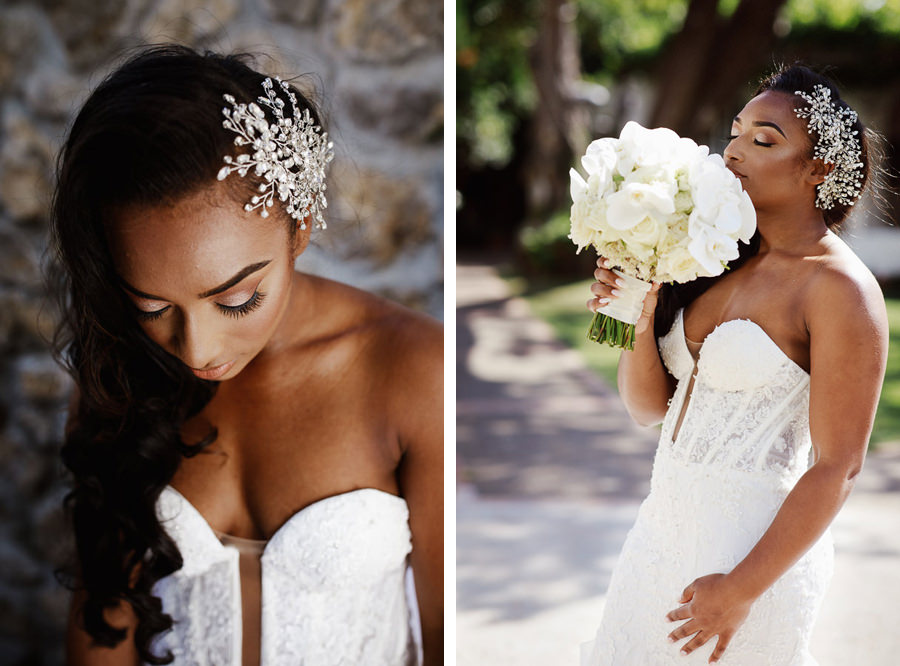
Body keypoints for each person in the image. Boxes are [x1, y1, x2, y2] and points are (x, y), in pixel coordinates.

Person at [48, 45, 443, 666]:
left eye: (236, 298)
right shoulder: (117, 379)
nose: (197, 350)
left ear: (301, 224)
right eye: (151, 307)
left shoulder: (414, 370)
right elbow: (102, 627)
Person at [580, 64, 888, 664]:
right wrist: (638, 314)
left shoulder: (840, 290)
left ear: (818, 170)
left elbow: (839, 466)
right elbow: (648, 409)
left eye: (763, 139)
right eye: (736, 131)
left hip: (752, 555)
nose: (734, 150)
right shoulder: (707, 257)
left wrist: (742, 589)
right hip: (658, 536)